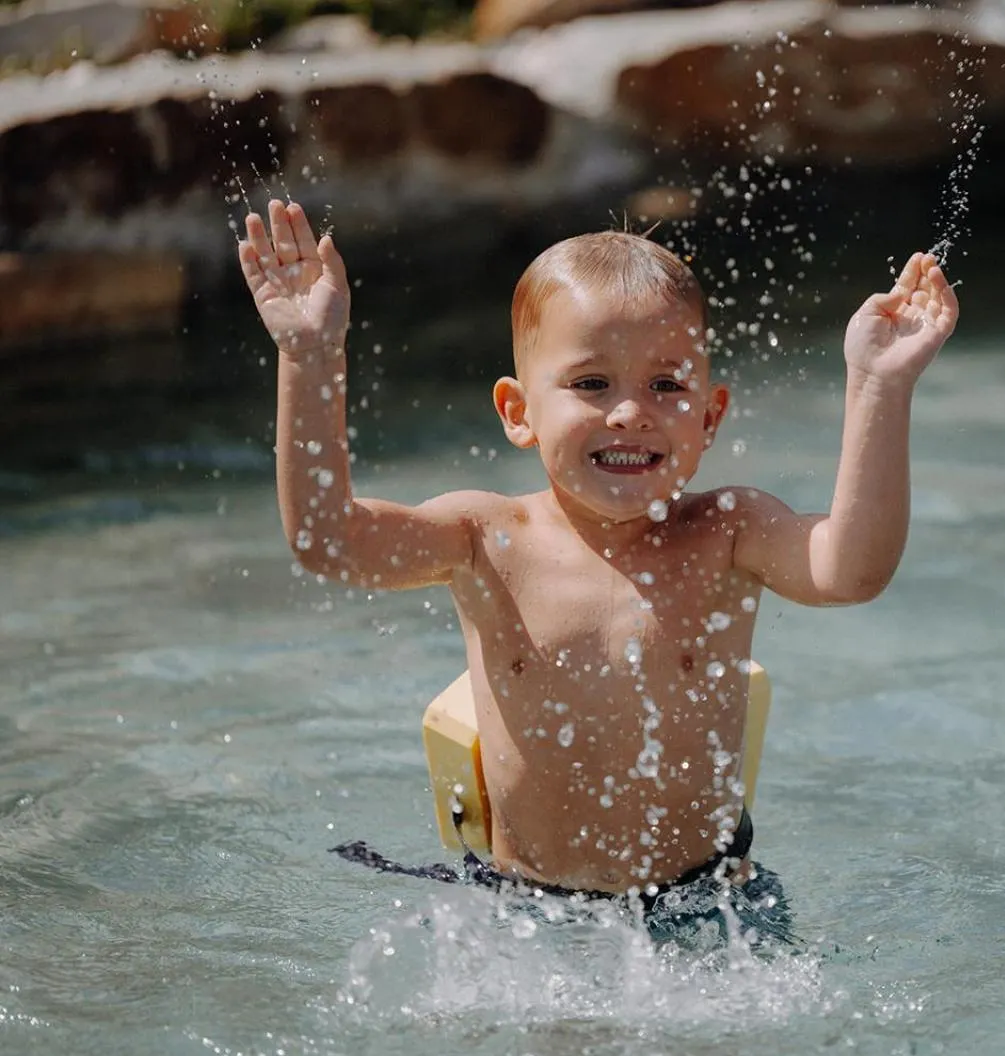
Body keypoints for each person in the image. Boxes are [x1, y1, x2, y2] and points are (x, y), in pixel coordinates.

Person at [238, 198, 959, 924]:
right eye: (591, 384)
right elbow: (329, 541)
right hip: (528, 908)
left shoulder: (729, 531)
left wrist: (878, 386)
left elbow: (852, 571)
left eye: (667, 386)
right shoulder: (484, 536)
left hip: (707, 902)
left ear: (710, 417)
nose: (629, 412)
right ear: (518, 411)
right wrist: (310, 353)